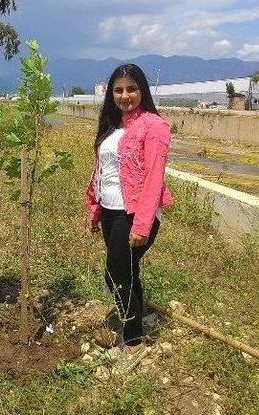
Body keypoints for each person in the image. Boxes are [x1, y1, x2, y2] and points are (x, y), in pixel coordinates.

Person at [85, 64, 174, 353]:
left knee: (114, 272)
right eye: (119, 90)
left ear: (143, 91)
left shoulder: (154, 126)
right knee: (129, 269)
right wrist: (96, 209)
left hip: (134, 212)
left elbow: (153, 178)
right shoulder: (113, 125)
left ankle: (133, 337)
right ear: (111, 94)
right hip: (111, 210)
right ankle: (138, 318)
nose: (125, 95)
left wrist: (142, 225)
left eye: (132, 89)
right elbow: (103, 171)